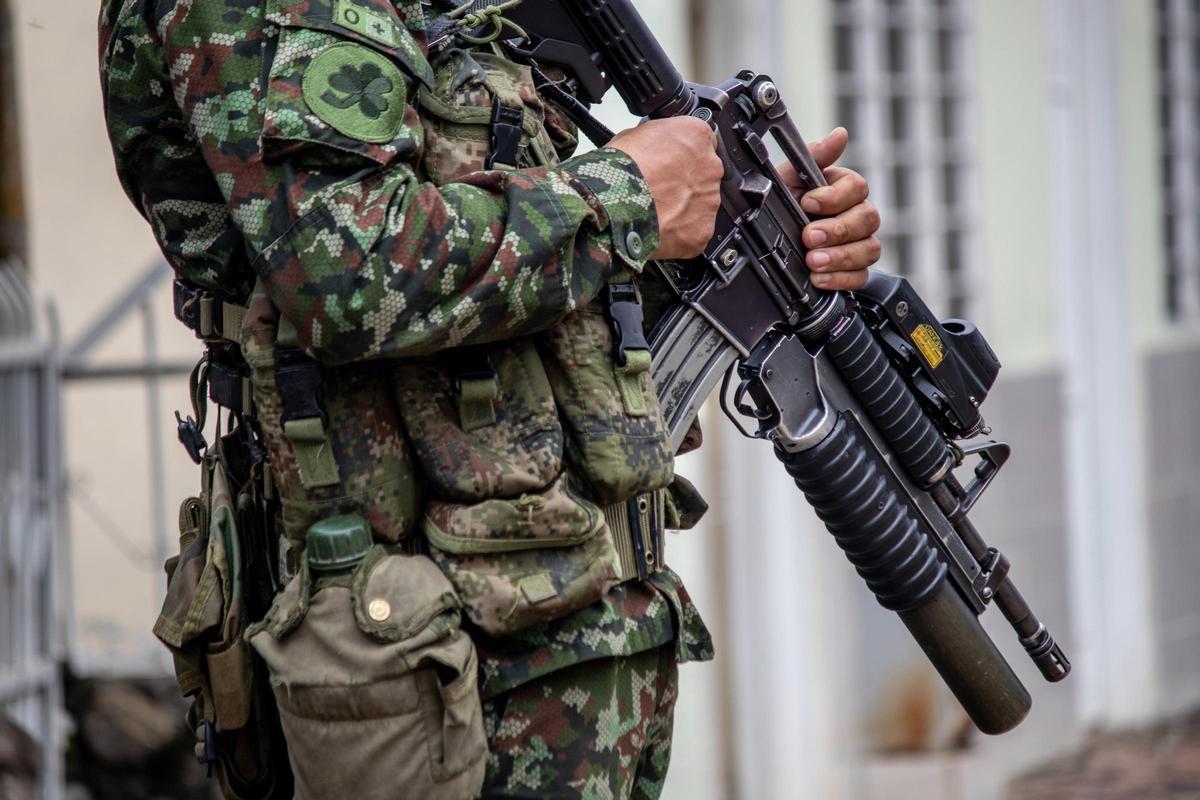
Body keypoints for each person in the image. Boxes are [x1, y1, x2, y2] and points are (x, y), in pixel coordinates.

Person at [99, 0, 881, 797]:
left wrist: (738, 232)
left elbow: (516, 265)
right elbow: (347, 273)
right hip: (423, 655)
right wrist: (625, 196)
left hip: (576, 628)